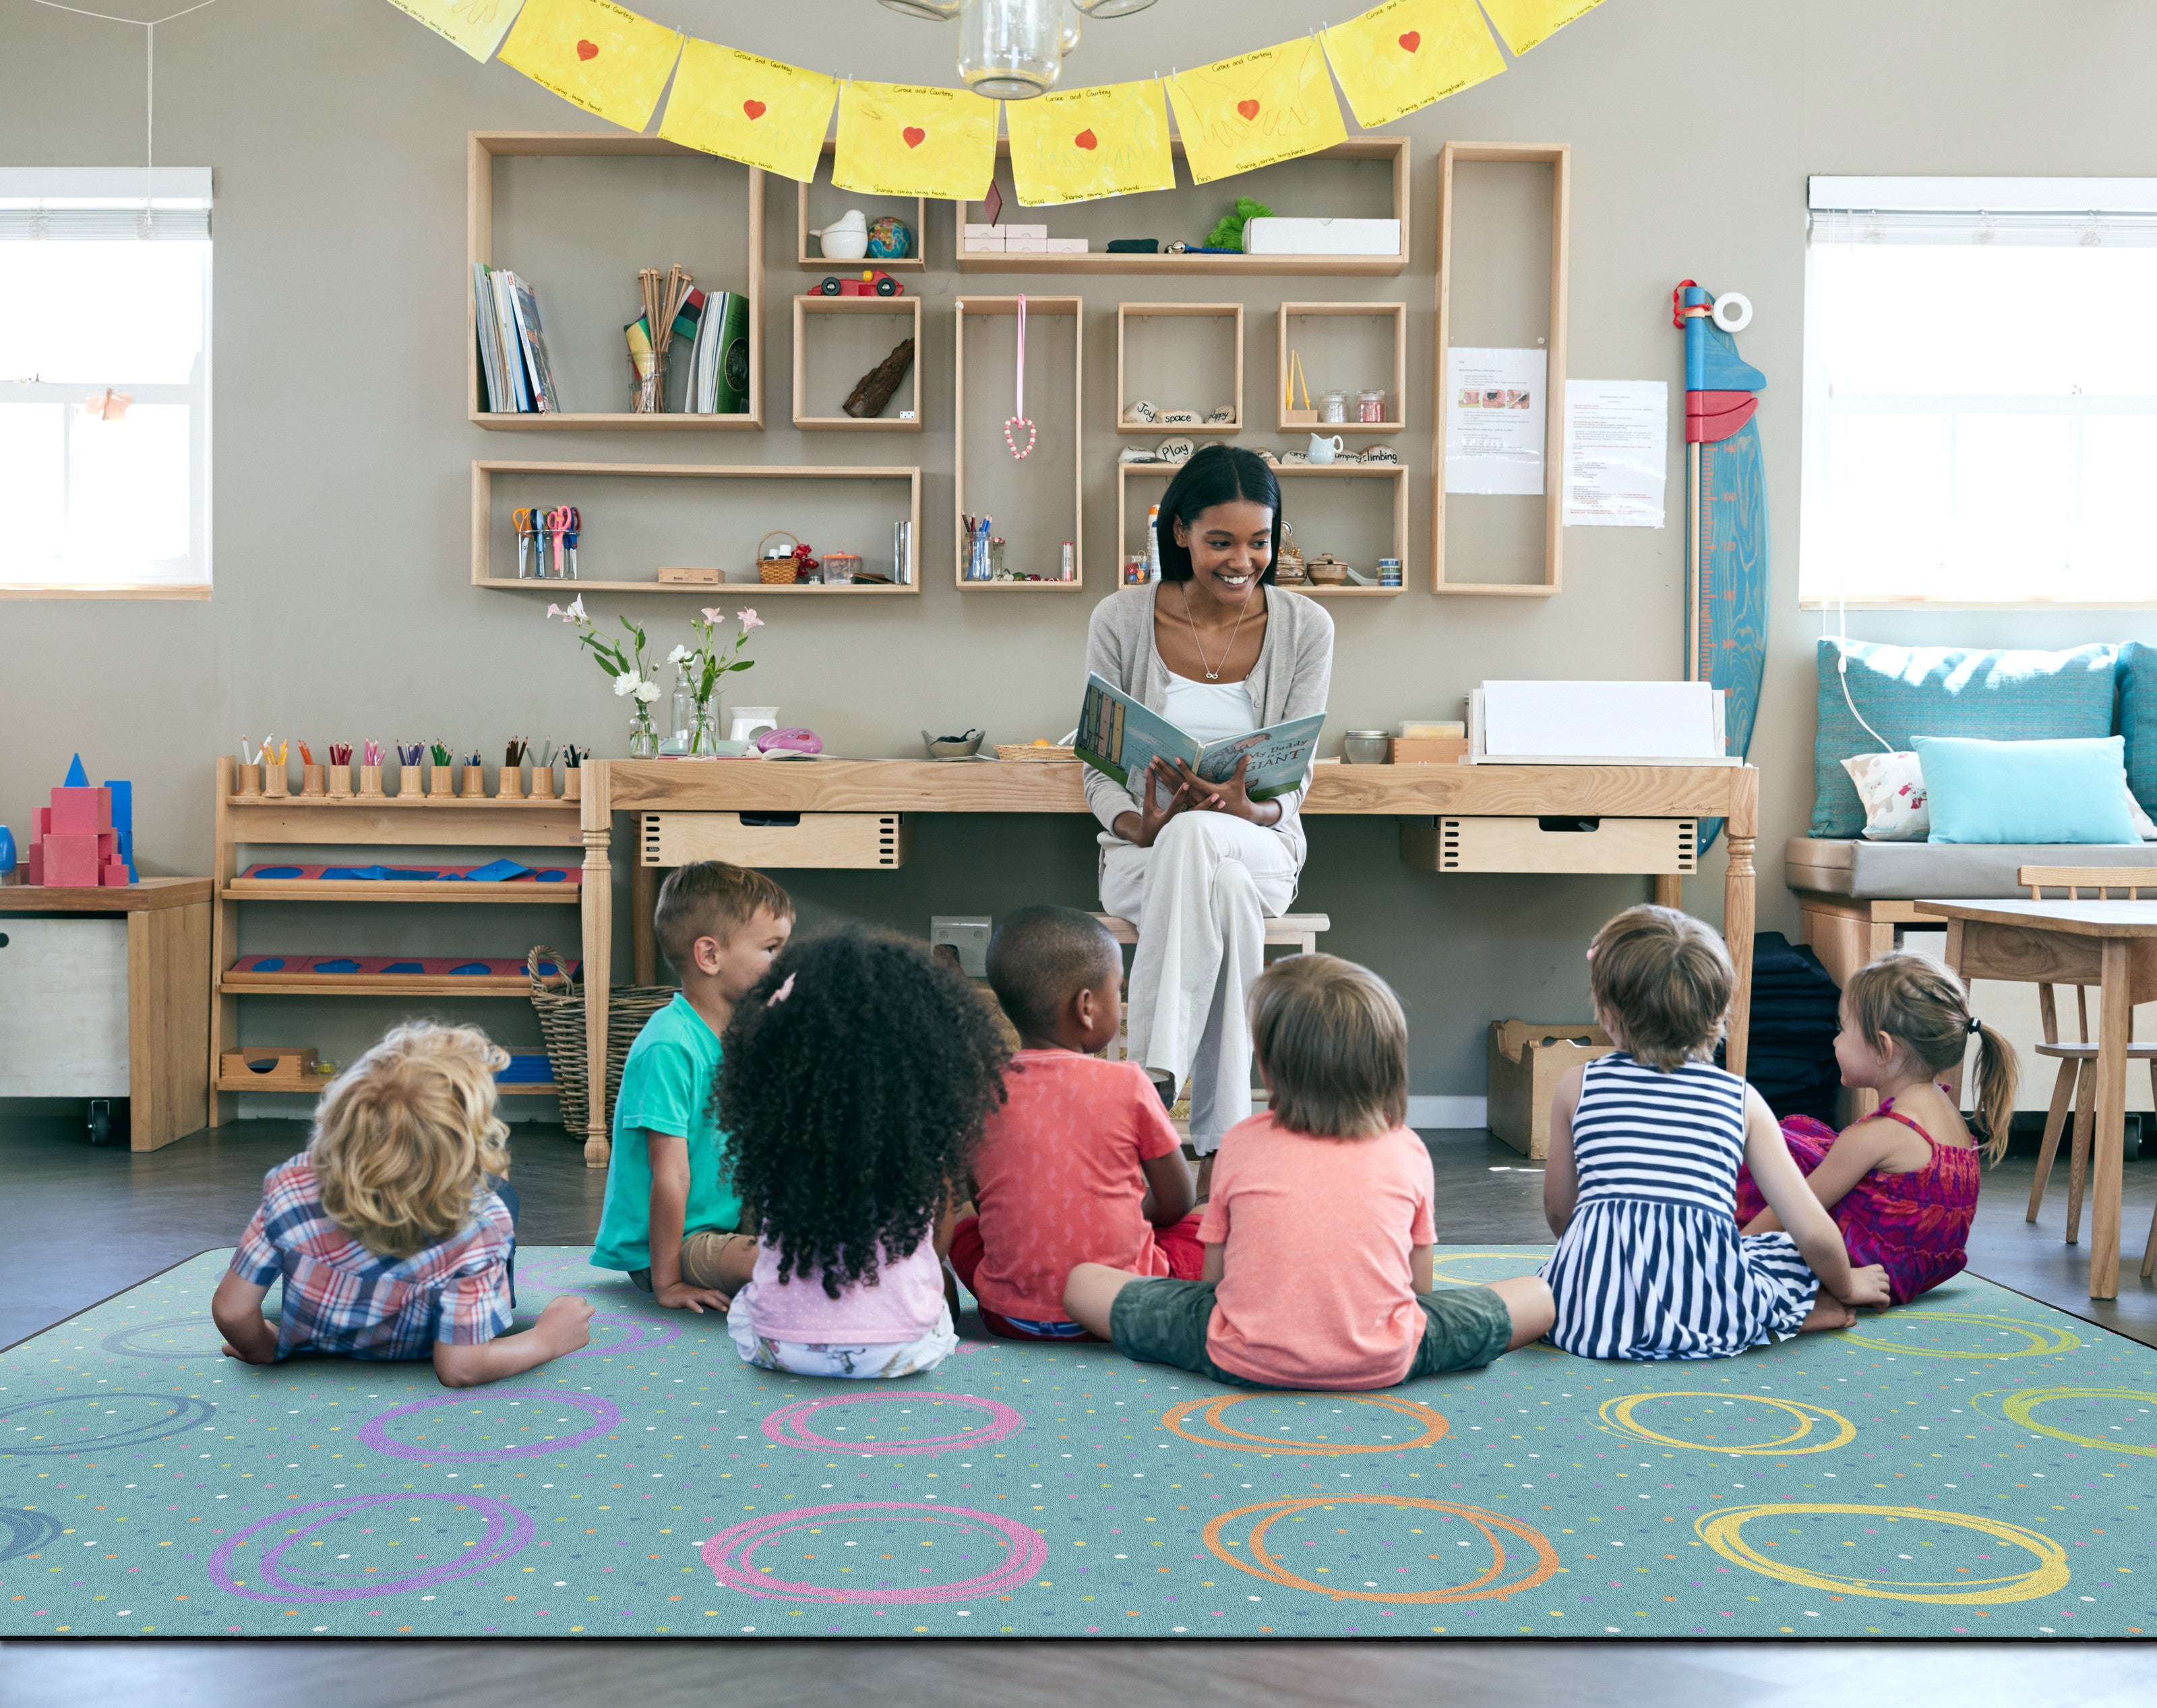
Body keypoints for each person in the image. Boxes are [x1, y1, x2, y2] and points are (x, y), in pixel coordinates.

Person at [1065, 954, 1553, 1390]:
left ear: (1268, 1065)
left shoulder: (1240, 1142)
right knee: (1538, 1296)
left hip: (1238, 1353)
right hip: (1387, 1357)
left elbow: (1214, 1283)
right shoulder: (1408, 1149)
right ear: (1385, 1063)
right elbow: (1418, 1290)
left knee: (1083, 1282)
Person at [1084, 444, 1334, 1174]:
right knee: (1212, 878)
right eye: (1220, 541)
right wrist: (1137, 822)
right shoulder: (1121, 616)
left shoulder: (1305, 625)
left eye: (1259, 541)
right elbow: (1099, 763)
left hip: (1260, 847)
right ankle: (1223, 1140)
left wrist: (1249, 809)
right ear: (1181, 530)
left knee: (1211, 845)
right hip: (1144, 857)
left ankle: (1150, 1085)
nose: (1241, 559)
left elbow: (1298, 774)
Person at [1541, 906, 1893, 1361]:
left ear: (1607, 1014)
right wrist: (1849, 1284)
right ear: (1722, 1012)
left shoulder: (1577, 1084)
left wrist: (1600, 1256)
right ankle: (1807, 1313)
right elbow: (1814, 1232)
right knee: (1779, 1252)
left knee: (1546, 1285)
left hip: (1588, 1314)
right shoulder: (1739, 1099)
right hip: (1709, 1307)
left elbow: (1558, 1211)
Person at [212, 1023, 593, 1386]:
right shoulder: (481, 1225)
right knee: (500, 1188)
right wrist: (548, 1338)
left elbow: (232, 1311)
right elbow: (461, 1368)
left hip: (322, 1341)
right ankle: (485, 1299)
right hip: (424, 1347)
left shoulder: (291, 1185)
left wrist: (263, 1348)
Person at [719, 926, 1009, 1379]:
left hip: (781, 1347)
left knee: (750, 1299)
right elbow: (936, 1244)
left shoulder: (777, 1137)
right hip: (903, 1351)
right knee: (937, 1280)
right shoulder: (919, 1142)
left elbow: (765, 1227)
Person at [950, 905, 1201, 1341]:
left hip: (1007, 1316)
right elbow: (1177, 1201)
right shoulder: (1128, 1083)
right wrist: (1126, 1214)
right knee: (1206, 1218)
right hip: (1123, 1309)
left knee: (962, 1224)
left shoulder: (979, 1089)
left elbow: (984, 1198)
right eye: (1116, 992)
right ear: (1086, 1007)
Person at [1737, 952, 2018, 1305]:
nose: (1835, 1041)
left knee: (1779, 1158)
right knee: (1808, 1146)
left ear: (1883, 1047)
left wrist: (1734, 1256)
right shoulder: (1945, 1112)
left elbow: (1793, 1208)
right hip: (1915, 1267)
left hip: (1870, 1266)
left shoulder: (1881, 1133)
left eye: (1842, 1029)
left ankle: (1817, 1298)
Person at [589, 861, 793, 1311]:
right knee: (786, 1266)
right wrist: (669, 1284)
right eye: (771, 950)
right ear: (711, 956)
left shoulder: (744, 1033)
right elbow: (672, 1174)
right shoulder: (668, 1046)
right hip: (672, 1244)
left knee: (822, 1242)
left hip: (726, 1221)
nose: (783, 965)